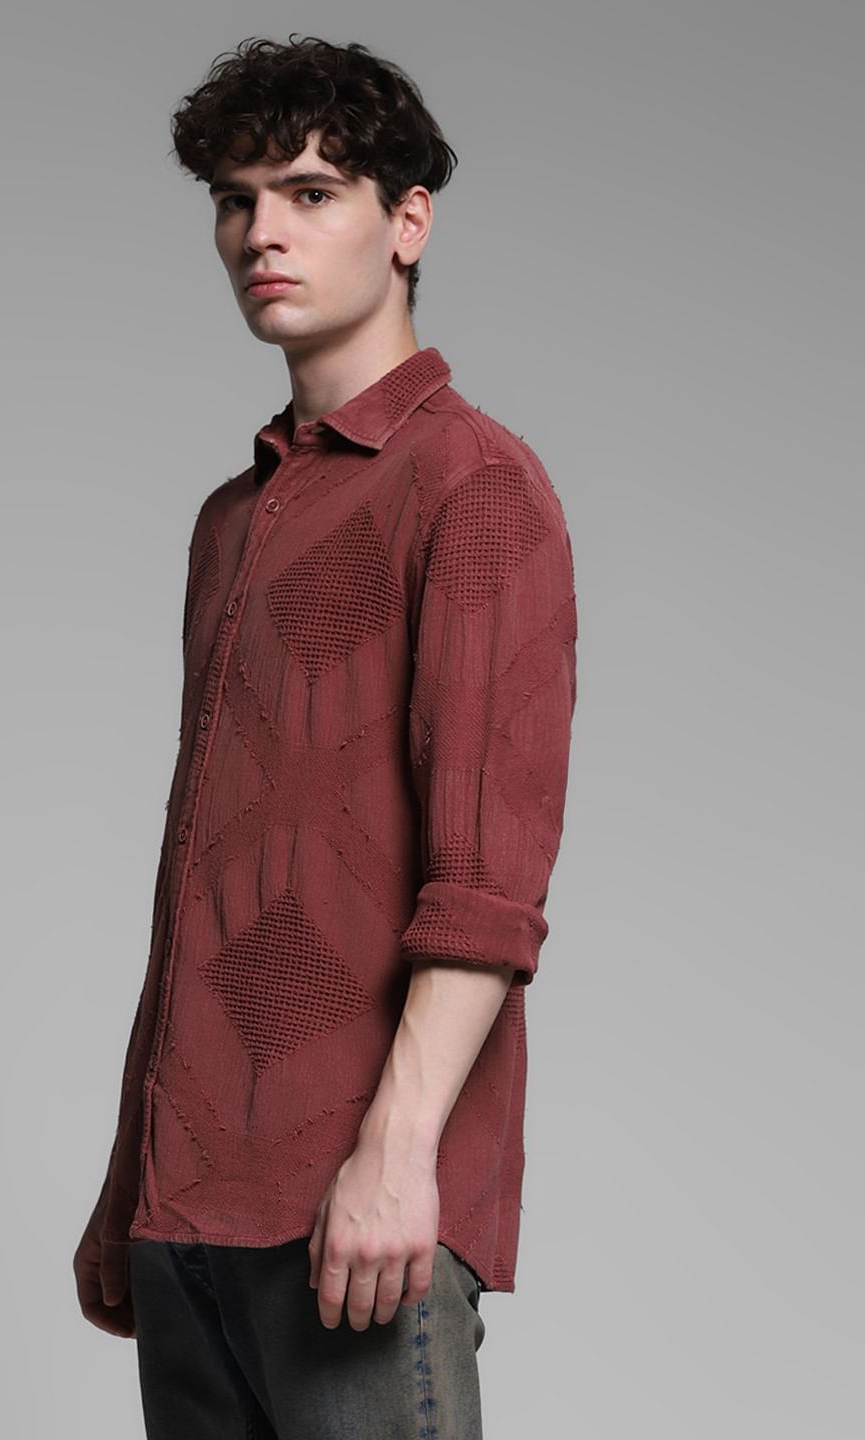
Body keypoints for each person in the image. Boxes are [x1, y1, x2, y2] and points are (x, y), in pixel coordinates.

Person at [73, 33, 579, 1439]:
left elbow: (486, 887)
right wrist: (130, 1183)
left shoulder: (473, 485)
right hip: (187, 1217)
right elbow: (201, 880)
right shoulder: (233, 522)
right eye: (236, 201)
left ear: (408, 221)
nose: (262, 234)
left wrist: (398, 1155)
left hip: (358, 1214)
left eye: (309, 193)